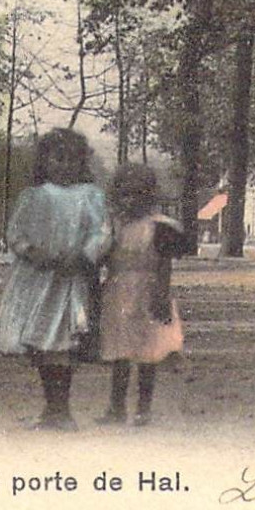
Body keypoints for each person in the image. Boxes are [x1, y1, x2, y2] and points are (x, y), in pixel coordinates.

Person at [0, 128, 112, 430]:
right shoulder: (33, 196)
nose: (64, 165)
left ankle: (63, 409)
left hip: (70, 280)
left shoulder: (91, 196)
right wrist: (33, 252)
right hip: (38, 280)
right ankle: (51, 407)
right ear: (44, 161)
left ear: (82, 162)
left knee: (62, 344)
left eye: (72, 159)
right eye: (57, 159)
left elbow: (102, 232)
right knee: (41, 345)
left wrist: (84, 255)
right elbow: (16, 233)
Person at [97, 163, 187, 426]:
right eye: (125, 194)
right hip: (118, 293)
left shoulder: (159, 227)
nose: (132, 200)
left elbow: (163, 264)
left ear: (150, 195)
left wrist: (162, 294)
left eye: (139, 193)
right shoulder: (114, 227)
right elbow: (103, 257)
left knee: (149, 351)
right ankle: (116, 407)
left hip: (147, 291)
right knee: (120, 350)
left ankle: (143, 408)